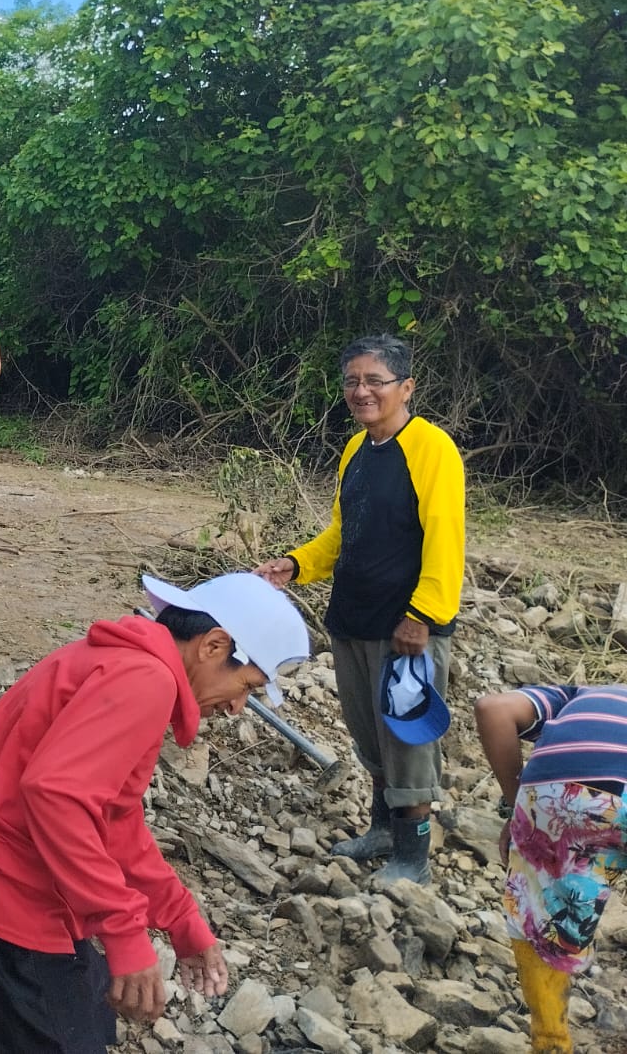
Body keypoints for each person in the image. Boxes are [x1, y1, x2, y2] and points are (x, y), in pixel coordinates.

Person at [0, 573, 310, 1053]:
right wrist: (124, 932)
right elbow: (57, 796)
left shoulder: (127, 663)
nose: (237, 706)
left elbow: (115, 820)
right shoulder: (146, 680)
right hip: (0, 885)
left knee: (86, 1017)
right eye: (246, 685)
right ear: (213, 645)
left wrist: (179, 917)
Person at [254, 333, 465, 884]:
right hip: (353, 616)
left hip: (406, 625)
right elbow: (343, 533)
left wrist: (422, 615)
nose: (362, 391)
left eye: (375, 380)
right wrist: (295, 564)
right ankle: (382, 830)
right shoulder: (356, 449)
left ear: (406, 387)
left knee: (407, 738)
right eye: (352, 381)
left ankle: (412, 859)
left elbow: (446, 539)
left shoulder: (432, 448)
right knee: (369, 732)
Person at [474, 685, 627, 1054]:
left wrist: (518, 812)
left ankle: (551, 1043)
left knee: (541, 911)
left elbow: (492, 708)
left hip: (562, 796)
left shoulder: (578, 698)